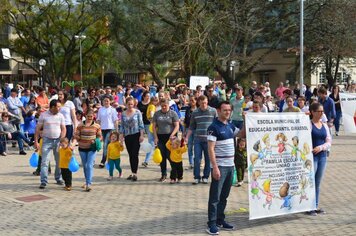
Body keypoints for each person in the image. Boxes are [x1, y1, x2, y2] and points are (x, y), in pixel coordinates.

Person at [206, 101, 239, 235]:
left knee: (224, 196)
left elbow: (241, 134)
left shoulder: (230, 125)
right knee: (215, 197)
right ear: (219, 111)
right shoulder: (213, 127)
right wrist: (215, 167)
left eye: (229, 110)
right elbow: (210, 149)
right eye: (224, 110)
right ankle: (211, 224)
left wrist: (251, 119)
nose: (227, 112)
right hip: (220, 166)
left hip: (230, 166)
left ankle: (220, 220)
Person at [34, 100, 66, 189]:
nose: (60, 108)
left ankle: (58, 178)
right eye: (58, 107)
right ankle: (43, 181)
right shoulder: (43, 115)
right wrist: (36, 141)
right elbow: (37, 129)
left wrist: (62, 139)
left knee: (58, 161)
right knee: (45, 162)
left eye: (60, 106)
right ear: (52, 107)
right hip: (46, 141)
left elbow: (63, 129)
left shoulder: (61, 116)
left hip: (57, 141)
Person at [185, 95, 216, 184]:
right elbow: (191, 127)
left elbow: (217, 123)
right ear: (199, 103)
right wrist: (187, 137)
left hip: (209, 140)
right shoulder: (195, 113)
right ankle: (197, 177)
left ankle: (205, 176)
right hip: (198, 139)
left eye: (205, 103)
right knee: (197, 159)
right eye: (202, 103)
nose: (204, 105)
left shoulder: (213, 111)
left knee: (208, 159)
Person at [308, 102, 332, 216]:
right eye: (319, 111)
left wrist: (321, 147)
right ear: (313, 112)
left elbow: (329, 141)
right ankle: (308, 206)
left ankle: (315, 205)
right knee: (310, 182)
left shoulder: (324, 125)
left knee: (317, 183)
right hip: (312, 157)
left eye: (323, 111)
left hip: (322, 156)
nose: (322, 113)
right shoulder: (309, 124)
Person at [152, 98, 180, 182]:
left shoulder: (173, 113)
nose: (164, 107)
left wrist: (172, 135)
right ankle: (163, 174)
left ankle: (174, 174)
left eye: (165, 106)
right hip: (160, 137)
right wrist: (155, 137)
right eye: (162, 106)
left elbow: (177, 126)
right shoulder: (157, 114)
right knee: (162, 157)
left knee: (171, 156)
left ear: (168, 105)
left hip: (171, 138)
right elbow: (154, 127)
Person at [74, 110, 102, 192]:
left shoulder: (97, 126)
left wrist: (96, 140)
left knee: (89, 165)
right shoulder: (80, 125)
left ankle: (88, 183)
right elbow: (76, 135)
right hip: (82, 148)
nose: (89, 118)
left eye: (91, 116)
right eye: (88, 116)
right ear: (85, 116)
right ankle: (87, 181)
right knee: (85, 166)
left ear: (94, 116)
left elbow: (100, 137)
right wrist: (77, 137)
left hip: (92, 148)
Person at [119, 97, 145, 181]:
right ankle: (132, 171)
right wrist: (121, 137)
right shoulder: (123, 114)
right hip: (127, 136)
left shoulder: (137, 113)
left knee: (135, 154)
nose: (130, 106)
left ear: (134, 104)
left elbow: (141, 124)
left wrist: (141, 135)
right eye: (128, 104)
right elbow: (122, 126)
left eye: (131, 104)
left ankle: (135, 173)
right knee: (130, 155)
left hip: (136, 135)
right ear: (126, 104)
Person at [97, 97, 119, 168]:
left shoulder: (112, 109)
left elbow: (115, 120)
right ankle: (110, 160)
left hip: (110, 129)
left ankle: (103, 161)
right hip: (102, 129)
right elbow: (98, 120)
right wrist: (98, 129)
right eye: (105, 101)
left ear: (110, 101)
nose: (106, 102)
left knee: (105, 144)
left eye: (107, 101)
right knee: (107, 145)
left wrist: (117, 131)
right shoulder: (100, 109)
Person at [142, 96, 159, 167]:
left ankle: (147, 160)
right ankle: (149, 160)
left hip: (150, 126)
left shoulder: (149, 106)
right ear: (153, 101)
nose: (157, 102)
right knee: (153, 144)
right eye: (156, 101)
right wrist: (154, 120)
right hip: (153, 127)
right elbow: (152, 114)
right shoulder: (152, 106)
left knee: (152, 144)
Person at [183, 96, 197, 169]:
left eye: (192, 100)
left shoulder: (198, 109)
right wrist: (184, 131)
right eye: (190, 100)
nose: (191, 102)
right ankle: (191, 163)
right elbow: (185, 121)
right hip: (189, 129)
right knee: (190, 147)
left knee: (197, 147)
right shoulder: (187, 109)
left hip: (197, 130)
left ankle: (197, 162)